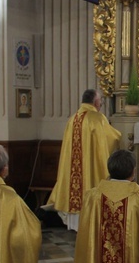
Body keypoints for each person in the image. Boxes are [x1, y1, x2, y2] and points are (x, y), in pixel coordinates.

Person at [46, 88, 121, 230]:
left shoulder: (72, 119)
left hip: (73, 173)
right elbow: (112, 138)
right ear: (96, 101)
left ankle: (73, 225)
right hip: (89, 170)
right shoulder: (97, 118)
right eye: (100, 102)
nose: (101, 105)